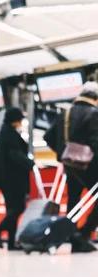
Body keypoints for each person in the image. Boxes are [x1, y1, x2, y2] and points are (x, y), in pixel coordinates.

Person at [45, 82, 98, 252]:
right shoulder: (94, 113)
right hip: (91, 166)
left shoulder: (65, 114)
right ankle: (83, 234)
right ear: (95, 98)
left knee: (73, 201)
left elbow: (48, 137)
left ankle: (73, 236)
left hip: (70, 165)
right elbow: (96, 140)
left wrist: (63, 152)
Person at [0, 108, 36, 251]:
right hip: (12, 179)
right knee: (18, 208)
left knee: (12, 209)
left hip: (6, 178)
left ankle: (11, 242)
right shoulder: (9, 134)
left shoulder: (4, 132)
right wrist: (31, 164)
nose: (21, 122)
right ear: (14, 120)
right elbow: (15, 155)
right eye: (20, 119)